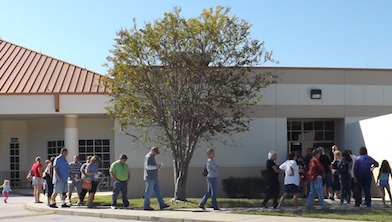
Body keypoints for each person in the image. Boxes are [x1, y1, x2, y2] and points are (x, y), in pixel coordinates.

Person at [143, 146, 170, 210]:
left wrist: (157, 167)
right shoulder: (148, 157)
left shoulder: (152, 157)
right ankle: (146, 206)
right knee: (148, 192)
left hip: (154, 177)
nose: (156, 154)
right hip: (150, 177)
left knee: (158, 192)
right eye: (155, 153)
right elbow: (148, 167)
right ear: (152, 151)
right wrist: (156, 167)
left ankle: (162, 204)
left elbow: (153, 167)